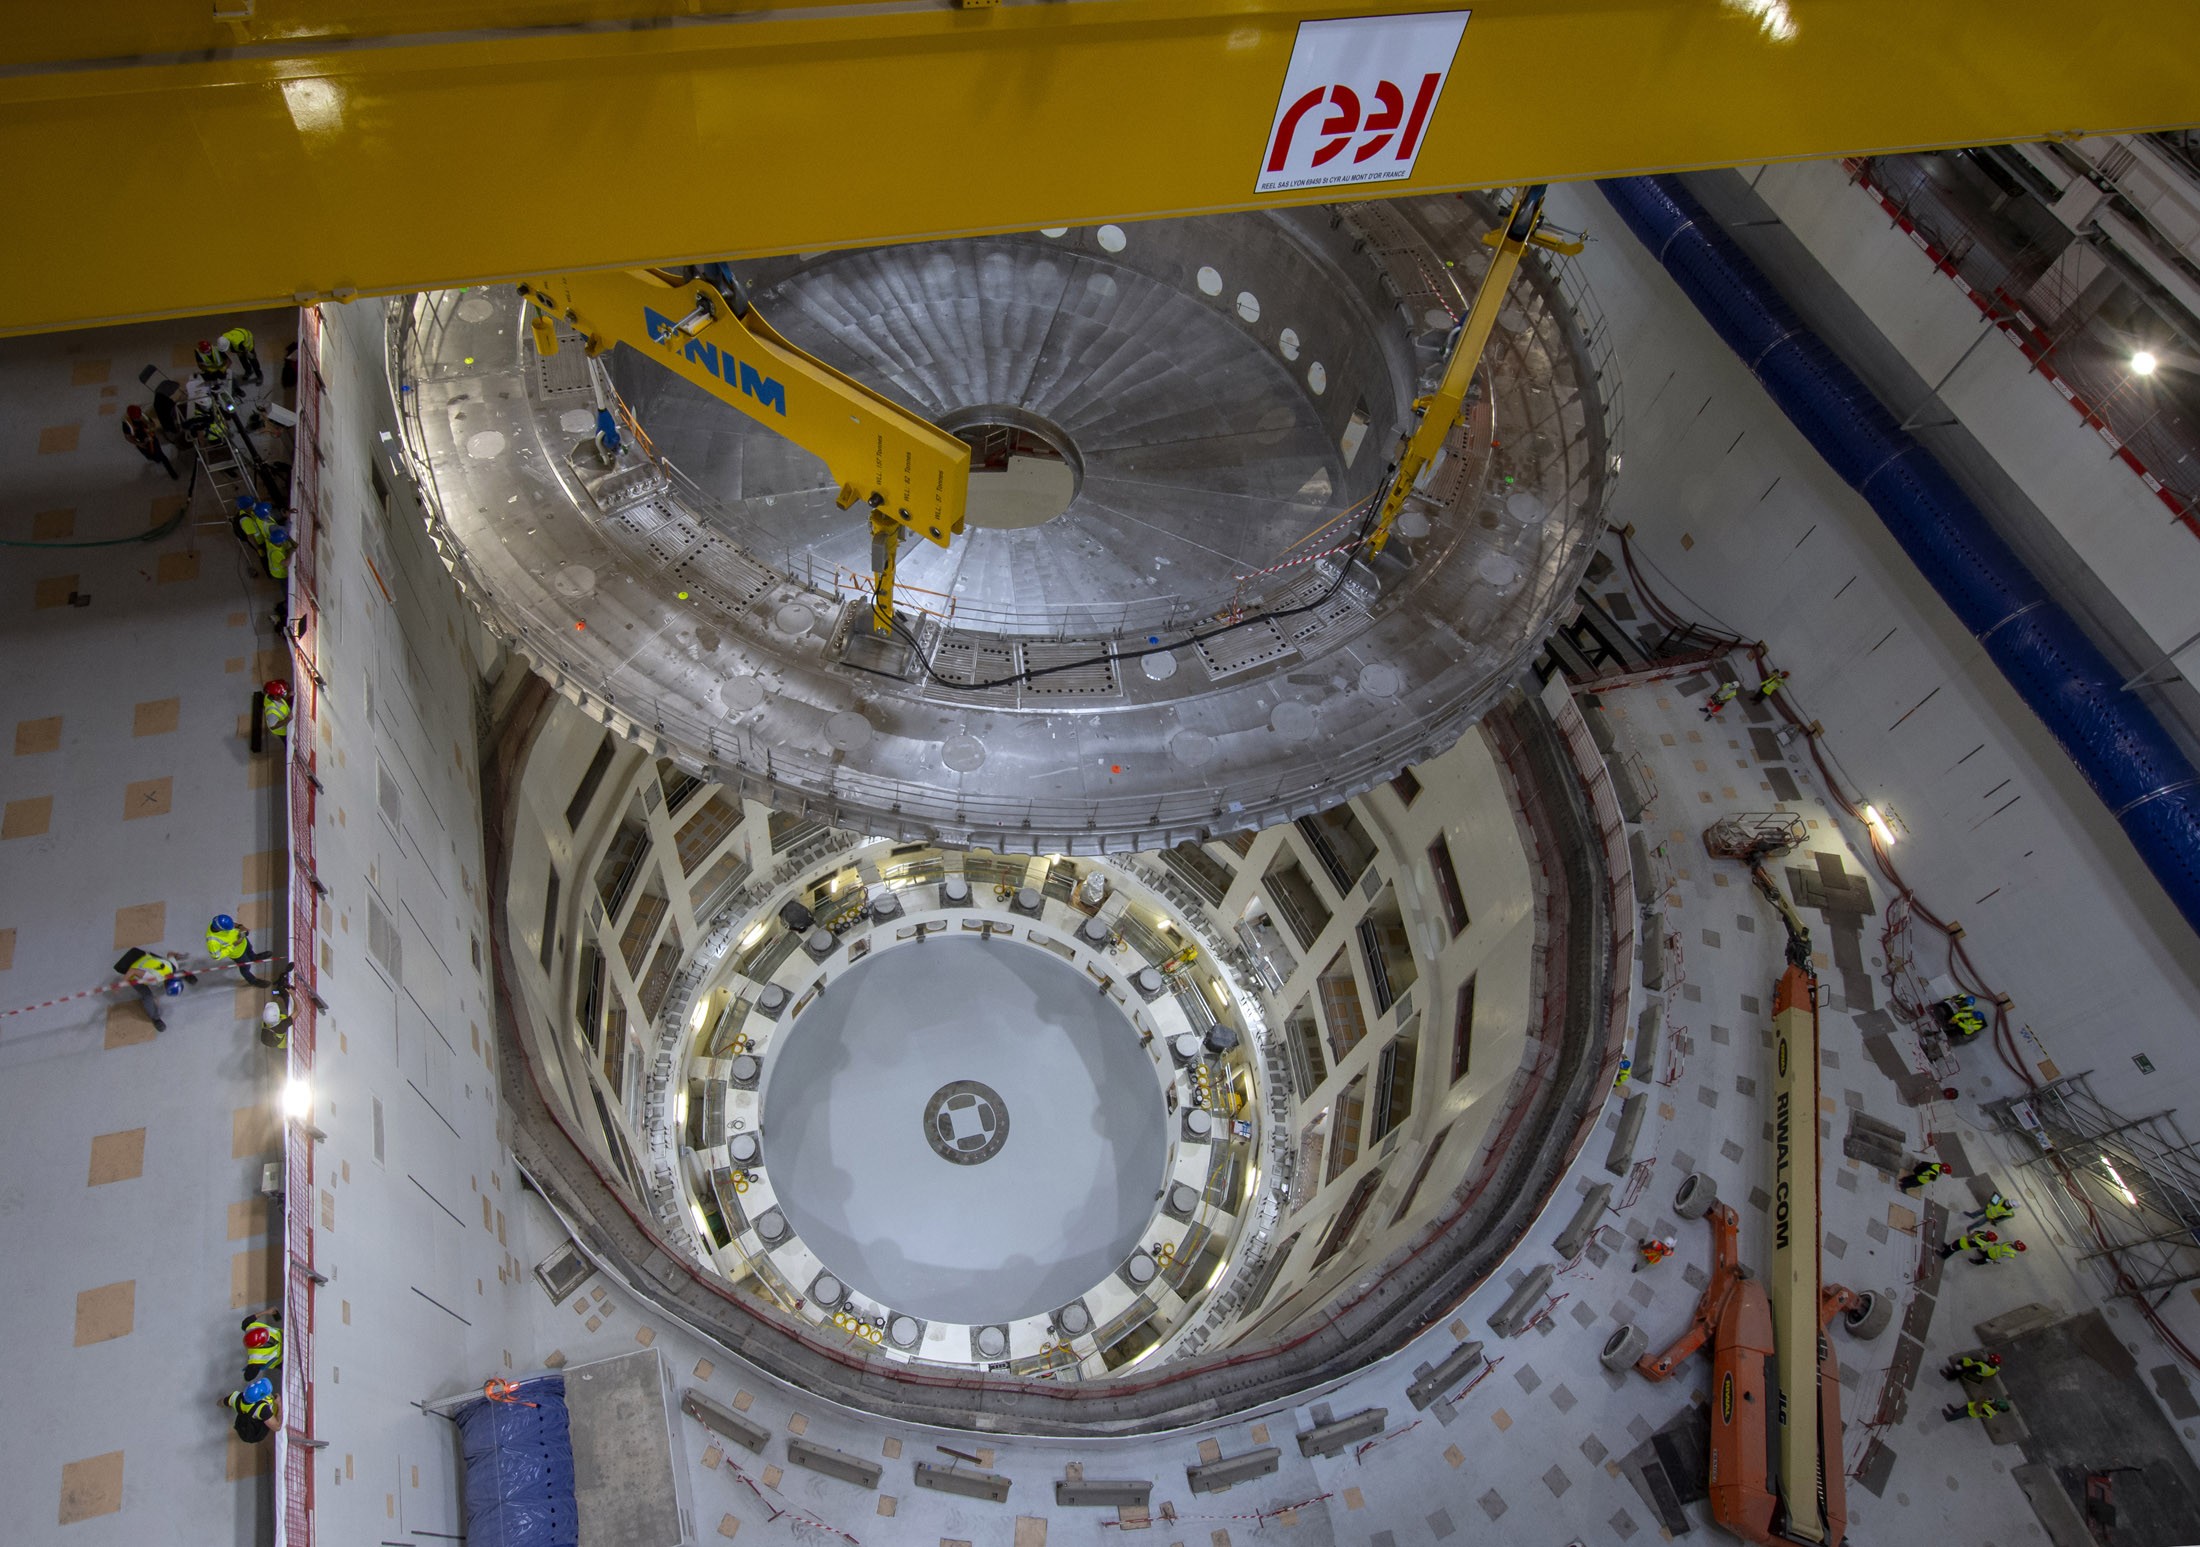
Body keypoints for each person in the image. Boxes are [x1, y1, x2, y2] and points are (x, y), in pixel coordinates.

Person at [114, 946, 196, 1032]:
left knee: (173, 971)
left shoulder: (172, 966)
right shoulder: (153, 979)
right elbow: (133, 971)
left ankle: (184, 974)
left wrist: (178, 955)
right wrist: (121, 984)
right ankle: (155, 1018)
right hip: (134, 975)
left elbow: (170, 954)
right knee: (147, 996)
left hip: (146, 958)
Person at [206, 914, 273, 987]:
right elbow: (216, 956)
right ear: (220, 929)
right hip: (238, 954)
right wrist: (234, 945)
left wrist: (240, 926)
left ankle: (254, 958)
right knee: (245, 967)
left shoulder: (216, 922)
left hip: (243, 942)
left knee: (250, 952)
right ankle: (253, 981)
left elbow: (232, 924)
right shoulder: (212, 941)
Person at [122, 405, 177, 478]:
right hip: (141, 443)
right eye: (136, 418)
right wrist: (138, 443)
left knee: (161, 455)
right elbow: (128, 437)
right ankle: (155, 458)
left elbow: (152, 424)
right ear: (132, 417)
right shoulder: (126, 424)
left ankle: (172, 473)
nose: (138, 418)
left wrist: (149, 429)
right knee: (150, 456)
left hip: (151, 439)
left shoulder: (143, 416)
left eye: (139, 416)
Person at [220, 1376, 279, 1443]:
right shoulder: (263, 1410)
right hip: (256, 1432)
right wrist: (279, 1403)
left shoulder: (235, 1397)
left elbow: (222, 1402)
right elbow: (277, 1427)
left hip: (244, 1423)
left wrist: (221, 1403)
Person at [241, 1309, 283, 1377]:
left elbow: (245, 1322)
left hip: (285, 1335)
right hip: (282, 1360)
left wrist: (267, 1312)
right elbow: (248, 1377)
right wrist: (252, 1368)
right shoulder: (255, 1358)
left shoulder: (250, 1327)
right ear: (260, 1345)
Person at [1943, 1397, 2013, 1423]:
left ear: (1997, 1407)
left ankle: (1949, 1418)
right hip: (1970, 1405)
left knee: (1960, 1414)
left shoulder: (1990, 1412)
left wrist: (1981, 1401)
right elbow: (1985, 1398)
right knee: (1961, 1409)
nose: (1994, 1400)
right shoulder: (1992, 1403)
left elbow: (1977, 1408)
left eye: (1996, 1402)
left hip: (1970, 1411)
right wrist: (1985, 1400)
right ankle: (1955, 1410)